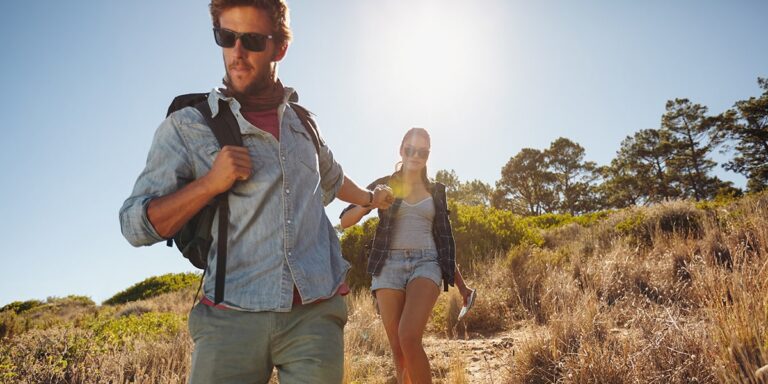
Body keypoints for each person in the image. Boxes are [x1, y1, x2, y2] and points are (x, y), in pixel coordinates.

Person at [119, 1, 393, 382]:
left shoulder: (304, 124)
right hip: (229, 319)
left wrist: (370, 199)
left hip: (315, 315)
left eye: (252, 40)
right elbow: (135, 225)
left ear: (279, 48)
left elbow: (332, 179)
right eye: (227, 37)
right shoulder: (188, 125)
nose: (237, 53)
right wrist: (209, 185)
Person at [340, 127, 475, 384]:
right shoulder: (384, 185)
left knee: (409, 337)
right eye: (410, 150)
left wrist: (462, 285)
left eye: (422, 152)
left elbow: (444, 241)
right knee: (398, 350)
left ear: (428, 155)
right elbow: (346, 221)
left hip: (427, 263)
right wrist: (372, 201)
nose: (416, 155)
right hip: (388, 265)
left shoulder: (436, 191)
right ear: (401, 150)